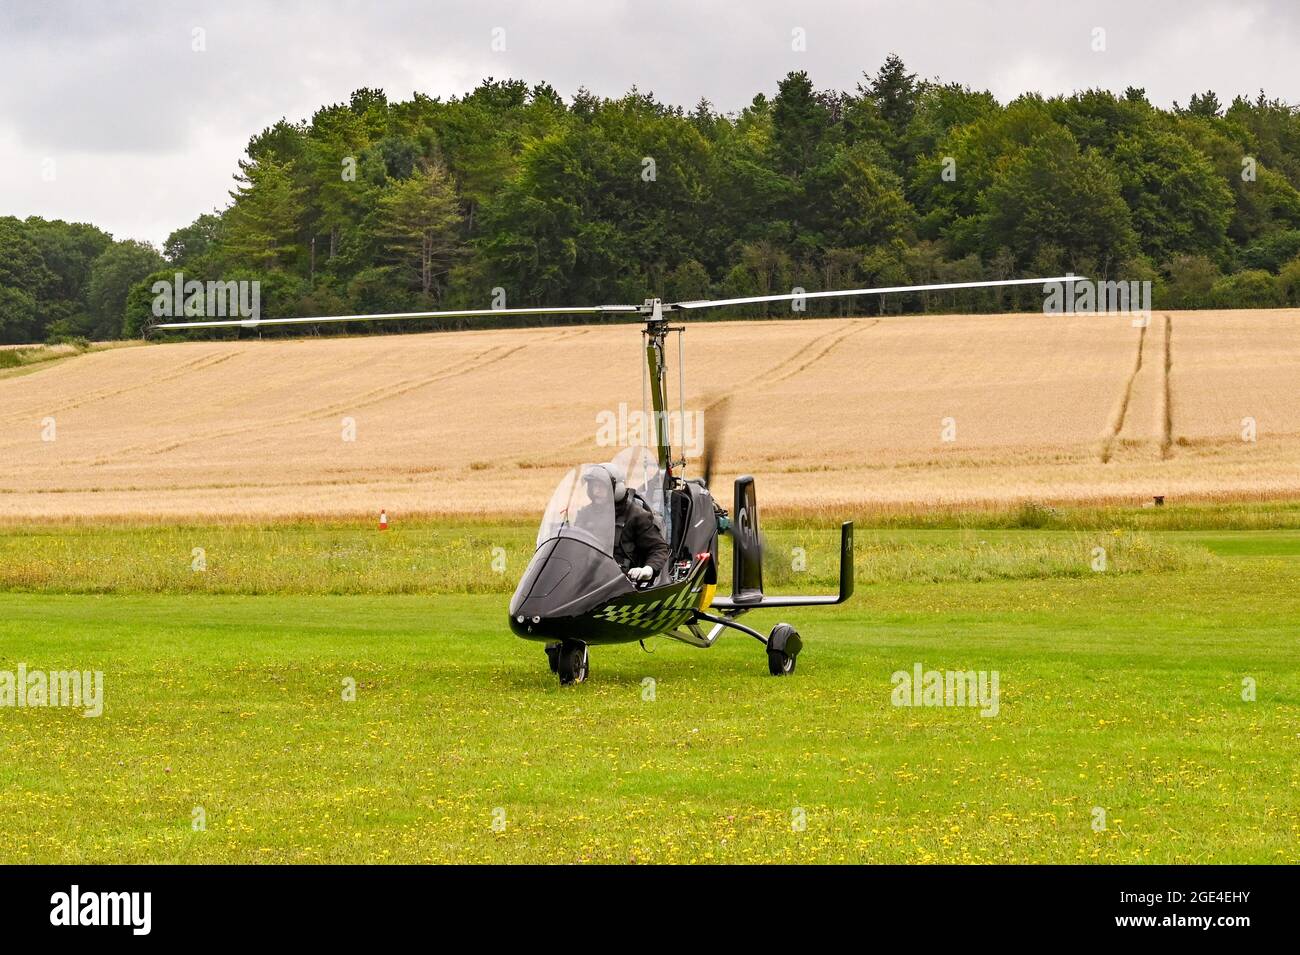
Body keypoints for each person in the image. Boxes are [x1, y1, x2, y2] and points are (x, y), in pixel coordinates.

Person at [585, 464, 669, 585]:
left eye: (601, 487)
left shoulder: (636, 516)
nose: (596, 491)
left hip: (622, 583)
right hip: (590, 580)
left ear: (616, 489)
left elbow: (658, 548)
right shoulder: (586, 514)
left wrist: (647, 569)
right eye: (593, 487)